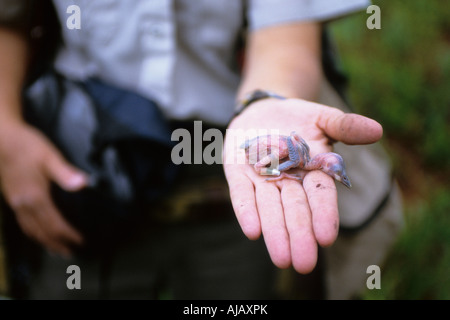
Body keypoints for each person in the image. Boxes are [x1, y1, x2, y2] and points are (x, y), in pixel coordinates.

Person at [0, 0, 403, 299]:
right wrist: (7, 132)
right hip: (85, 165)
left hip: (224, 181)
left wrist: (264, 102)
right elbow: (11, 16)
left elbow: (285, 42)